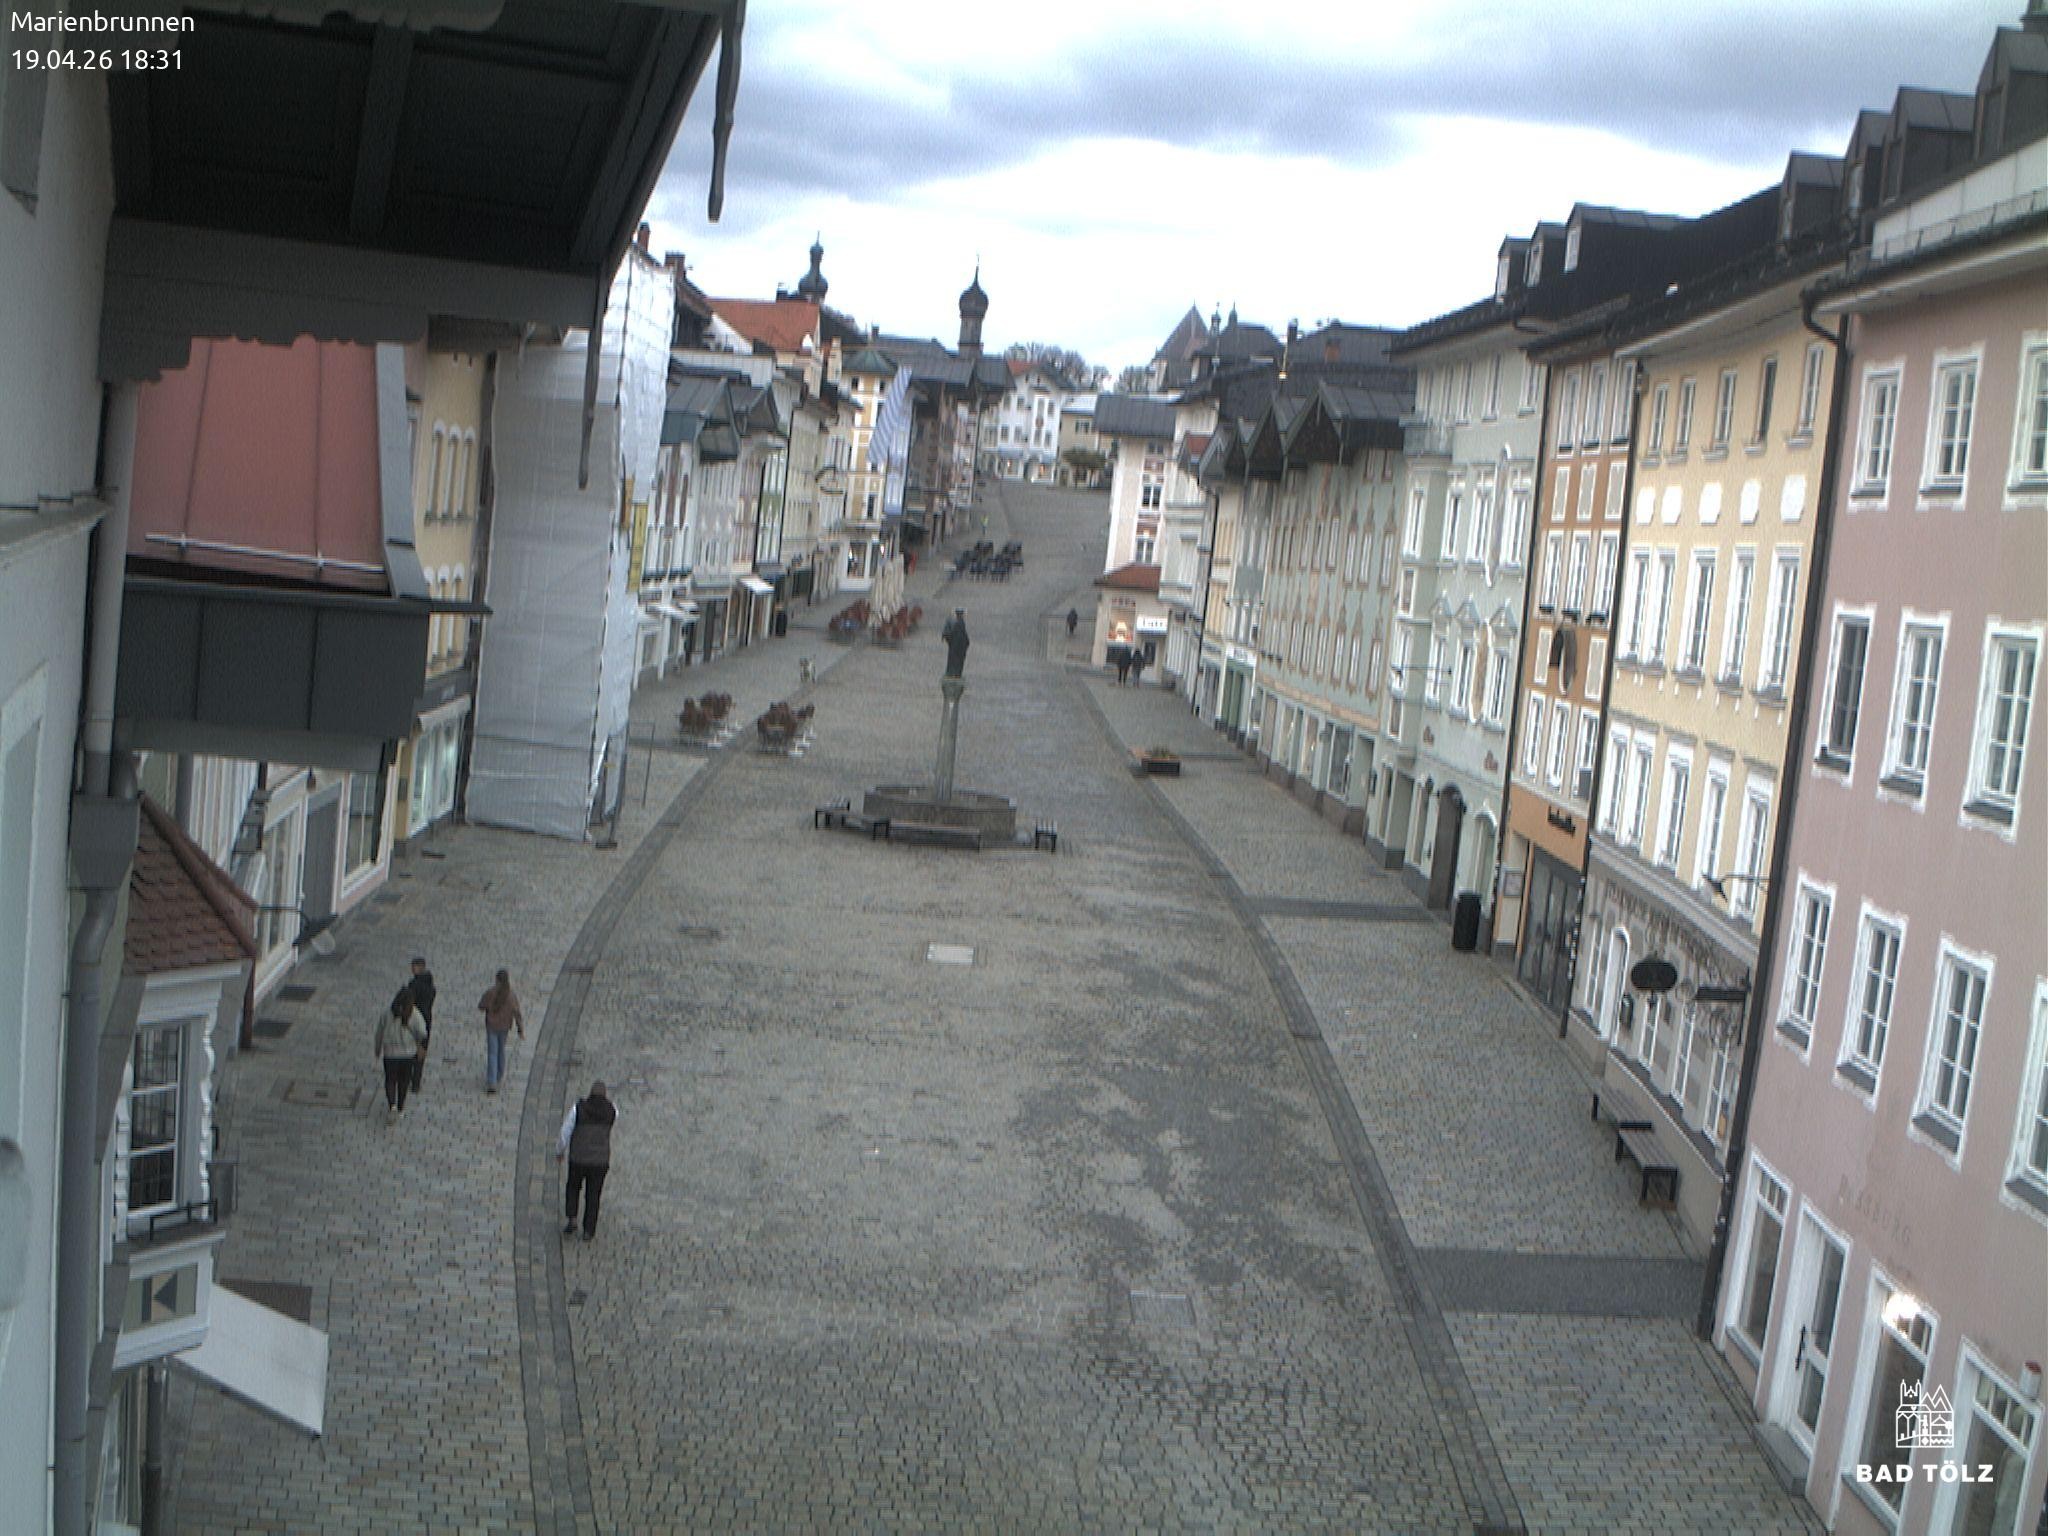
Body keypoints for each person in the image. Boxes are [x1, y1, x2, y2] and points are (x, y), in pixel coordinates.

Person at [557, 1081, 617, 1240]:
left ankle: (572, 1218)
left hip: (578, 1158)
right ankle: (589, 1230)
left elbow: (565, 1132)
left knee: (573, 1187)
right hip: (600, 1162)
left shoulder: (579, 1109)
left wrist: (560, 1151)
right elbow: (615, 1116)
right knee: (593, 1195)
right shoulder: (611, 1111)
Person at [375, 991, 425, 1122]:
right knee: (404, 1081)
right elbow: (422, 1032)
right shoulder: (414, 1014)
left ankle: (392, 1105)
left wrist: (377, 1048)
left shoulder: (387, 1013)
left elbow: (379, 1031)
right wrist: (419, 1043)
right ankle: (401, 1107)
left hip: (390, 1053)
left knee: (390, 1080)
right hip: (408, 1054)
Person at [477, 969, 525, 1094]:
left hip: (492, 1026)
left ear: (497, 980)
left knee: (492, 1053)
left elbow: (481, 1006)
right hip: (504, 1027)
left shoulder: (490, 993)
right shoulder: (511, 996)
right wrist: (520, 1029)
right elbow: (517, 1013)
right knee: (501, 1050)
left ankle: (492, 1081)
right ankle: (499, 1075)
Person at [406, 956, 437, 1093]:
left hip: (414, 1019)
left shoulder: (414, 985)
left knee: (410, 1049)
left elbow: (409, 1002)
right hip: (427, 1020)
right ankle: (416, 1082)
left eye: (415, 966)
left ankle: (408, 1078)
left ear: (421, 967)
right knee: (421, 1050)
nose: (412, 969)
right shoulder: (431, 985)